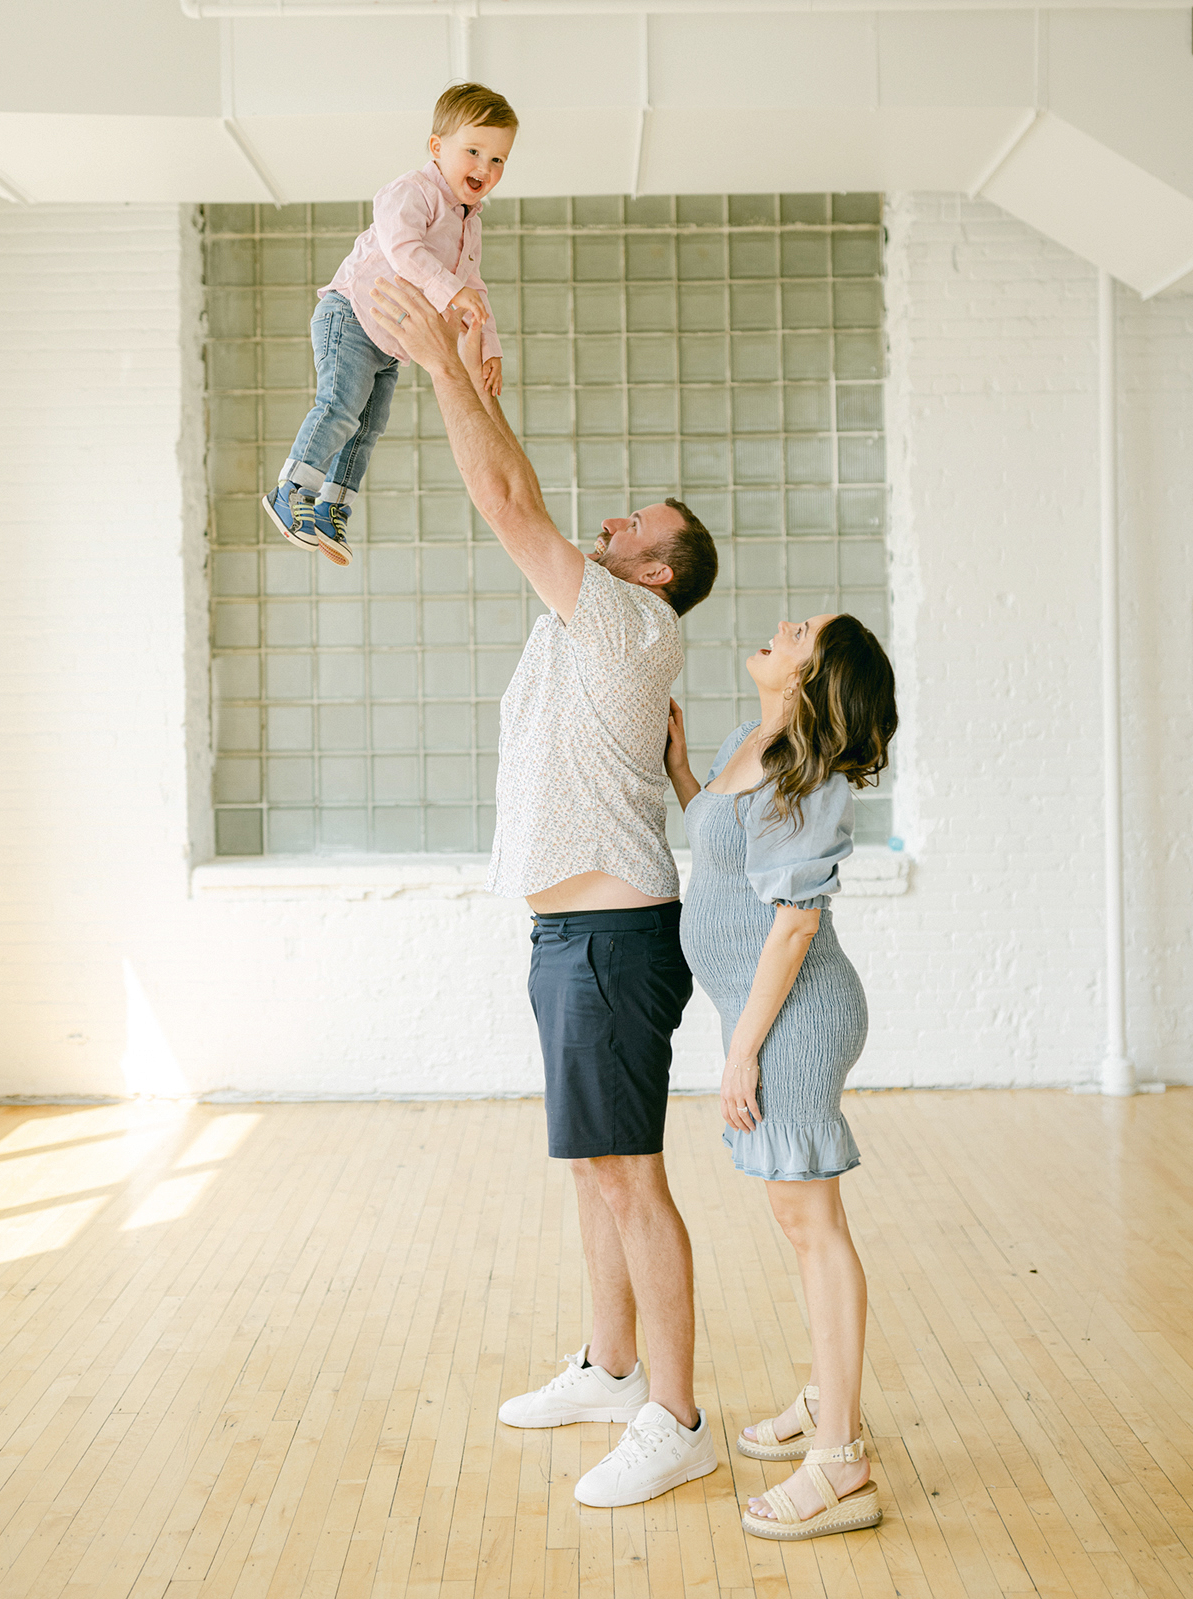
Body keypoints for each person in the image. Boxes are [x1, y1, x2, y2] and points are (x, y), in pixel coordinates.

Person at [367, 272, 722, 1509]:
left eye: (634, 528)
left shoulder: (626, 625)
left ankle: (677, 1419)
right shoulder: (589, 621)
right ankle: (614, 1370)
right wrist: (481, 394)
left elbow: (508, 501)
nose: (610, 527)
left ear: (659, 575)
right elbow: (516, 492)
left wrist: (444, 370)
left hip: (613, 943)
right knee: (594, 1170)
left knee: (632, 1177)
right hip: (572, 936)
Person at [664, 612, 897, 1542]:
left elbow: (793, 925)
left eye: (809, 631)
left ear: (816, 677)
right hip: (764, 1018)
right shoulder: (748, 743)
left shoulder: (809, 775)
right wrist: (683, 763)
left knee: (813, 1227)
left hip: (792, 1020)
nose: (787, 622)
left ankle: (839, 1461)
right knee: (796, 1221)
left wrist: (743, 1048)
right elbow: (717, 838)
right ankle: (828, 1398)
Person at [260, 82, 516, 567]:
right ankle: (291, 488)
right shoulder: (411, 192)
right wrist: (450, 290)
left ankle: (331, 507)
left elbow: (473, 287)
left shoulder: (470, 222)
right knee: (339, 407)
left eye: (499, 159)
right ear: (437, 148)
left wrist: (490, 348)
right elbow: (404, 251)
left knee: (368, 426)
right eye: (475, 151)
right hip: (352, 316)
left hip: (391, 341)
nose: (485, 168)